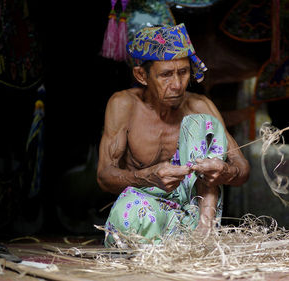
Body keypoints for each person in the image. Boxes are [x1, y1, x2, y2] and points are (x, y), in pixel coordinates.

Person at [97, 23, 250, 246]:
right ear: (142, 75)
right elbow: (104, 175)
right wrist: (148, 176)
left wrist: (226, 171)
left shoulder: (200, 105)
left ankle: (203, 235)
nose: (177, 85)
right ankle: (157, 251)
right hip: (147, 214)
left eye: (184, 72)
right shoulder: (124, 105)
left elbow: (243, 168)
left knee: (201, 121)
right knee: (127, 214)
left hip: (194, 218)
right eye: (166, 75)